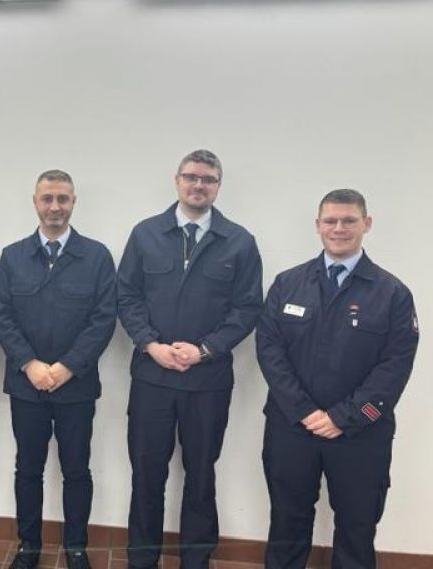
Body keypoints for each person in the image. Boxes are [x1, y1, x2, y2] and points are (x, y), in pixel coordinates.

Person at [256, 189, 418, 569]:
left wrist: (343, 417)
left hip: (361, 433)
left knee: (357, 531)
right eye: (331, 221)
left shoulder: (392, 293)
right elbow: (269, 350)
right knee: (287, 524)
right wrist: (304, 411)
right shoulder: (288, 284)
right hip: (292, 427)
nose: (339, 228)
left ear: (367, 224)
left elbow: (395, 366)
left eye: (349, 220)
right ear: (318, 226)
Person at [117, 149, 263, 569]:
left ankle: (195, 561)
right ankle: (142, 561)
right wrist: (151, 344)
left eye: (208, 179)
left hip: (208, 382)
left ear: (218, 186)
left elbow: (247, 309)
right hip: (152, 377)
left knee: (201, 475)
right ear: (177, 180)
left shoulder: (239, 241)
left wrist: (204, 350)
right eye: (191, 177)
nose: (199, 185)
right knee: (147, 474)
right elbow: (126, 296)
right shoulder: (145, 234)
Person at [0, 170, 116, 569]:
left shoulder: (96, 256)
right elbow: (1, 315)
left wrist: (67, 367)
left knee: (76, 470)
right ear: (35, 202)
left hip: (76, 387)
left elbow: (103, 319)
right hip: (26, 385)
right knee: (28, 469)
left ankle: (76, 546)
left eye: (63, 198)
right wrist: (29, 364)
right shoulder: (12, 256)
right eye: (47, 198)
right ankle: (29, 546)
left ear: (74, 202)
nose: (55, 206)